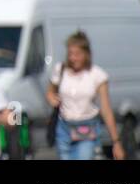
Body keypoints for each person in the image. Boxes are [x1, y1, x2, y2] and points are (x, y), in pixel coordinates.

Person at [46, 31, 125, 160]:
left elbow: (106, 109)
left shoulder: (97, 75)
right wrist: (51, 99)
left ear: (86, 54)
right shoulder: (60, 70)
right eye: (70, 54)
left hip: (87, 128)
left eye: (77, 54)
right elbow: (50, 92)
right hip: (64, 127)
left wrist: (116, 141)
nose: (73, 58)